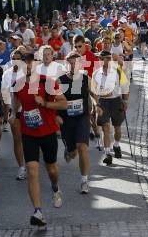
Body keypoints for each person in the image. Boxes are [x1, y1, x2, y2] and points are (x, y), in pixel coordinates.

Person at [14, 52, 67, 227]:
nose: (28, 66)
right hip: (29, 133)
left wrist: (44, 103)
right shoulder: (18, 84)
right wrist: (14, 114)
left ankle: (55, 187)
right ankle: (38, 211)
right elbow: (16, 103)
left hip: (48, 132)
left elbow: (63, 103)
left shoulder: (48, 82)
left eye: (30, 62)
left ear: (36, 64)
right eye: (24, 63)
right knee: (32, 171)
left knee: (51, 168)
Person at [58, 51, 91, 194]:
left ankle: (84, 180)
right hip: (66, 120)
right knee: (73, 153)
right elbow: (54, 100)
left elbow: (93, 95)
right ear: (67, 64)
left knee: (82, 147)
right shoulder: (60, 81)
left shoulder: (85, 78)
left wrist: (97, 107)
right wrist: (55, 116)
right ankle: (69, 151)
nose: (73, 66)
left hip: (82, 117)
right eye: (70, 63)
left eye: (75, 63)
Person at [91, 50, 130, 166]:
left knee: (117, 129)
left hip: (117, 102)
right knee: (105, 128)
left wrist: (125, 101)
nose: (105, 61)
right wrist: (96, 104)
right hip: (103, 103)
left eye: (108, 58)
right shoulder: (95, 74)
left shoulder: (118, 72)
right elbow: (93, 92)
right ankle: (107, 154)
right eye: (102, 58)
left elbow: (126, 87)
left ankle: (116, 145)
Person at [1, 50, 27, 180]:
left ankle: (32, 160)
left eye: (18, 58)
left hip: (28, 110)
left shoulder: (27, 73)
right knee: (17, 138)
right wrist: (6, 116)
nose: (16, 61)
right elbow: (5, 95)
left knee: (29, 139)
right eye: (13, 58)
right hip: (14, 111)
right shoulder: (6, 74)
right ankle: (21, 167)